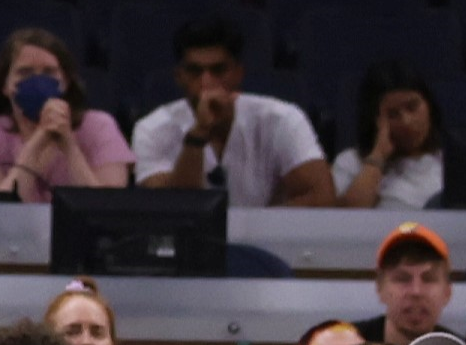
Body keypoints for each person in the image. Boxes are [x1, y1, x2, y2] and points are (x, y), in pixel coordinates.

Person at [128, 17, 334, 208]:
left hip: (262, 245)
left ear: (238, 73)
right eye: (194, 71)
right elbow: (173, 211)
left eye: (218, 71)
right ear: (179, 76)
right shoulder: (150, 129)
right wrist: (198, 135)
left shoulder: (283, 119)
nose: (206, 83)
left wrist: (251, 229)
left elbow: (322, 197)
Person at [0, 27, 127, 202]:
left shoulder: (99, 125)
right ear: (5, 85)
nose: (37, 82)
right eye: (24, 72)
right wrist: (39, 139)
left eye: (49, 72)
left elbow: (105, 207)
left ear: (65, 82)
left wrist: (69, 145)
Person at [331, 61, 445, 214]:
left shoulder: (447, 163)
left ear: (428, 105)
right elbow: (345, 219)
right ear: (376, 120)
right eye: (392, 114)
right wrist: (378, 156)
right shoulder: (350, 162)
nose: (406, 122)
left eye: (412, 107)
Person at [366, 225, 453, 345]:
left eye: (428, 279)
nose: (416, 291)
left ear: (448, 292)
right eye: (402, 279)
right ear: (379, 288)